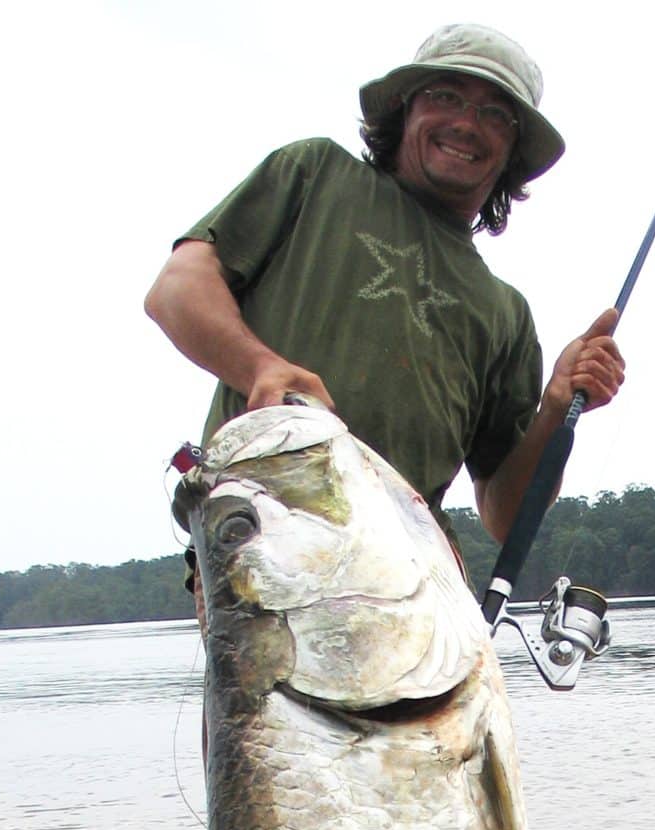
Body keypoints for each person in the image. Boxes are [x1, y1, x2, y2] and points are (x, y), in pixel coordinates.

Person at [145, 24, 625, 567]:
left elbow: (505, 516)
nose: (467, 124)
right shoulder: (315, 173)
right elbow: (176, 288)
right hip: (273, 555)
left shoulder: (506, 313)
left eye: (496, 114)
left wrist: (555, 409)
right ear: (404, 108)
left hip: (415, 584)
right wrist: (260, 367)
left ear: (513, 148)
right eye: (447, 96)